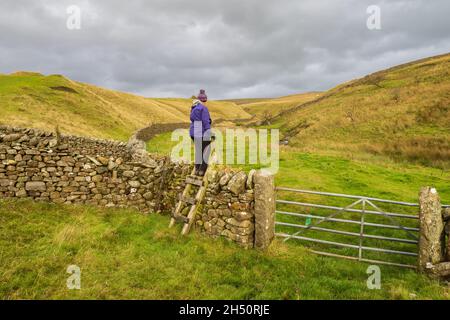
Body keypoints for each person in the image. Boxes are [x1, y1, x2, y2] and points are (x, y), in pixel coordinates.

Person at [190, 89, 212, 176]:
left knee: (198, 150)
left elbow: (192, 119)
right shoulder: (203, 108)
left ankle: (196, 169)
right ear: (204, 100)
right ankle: (202, 170)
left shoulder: (194, 108)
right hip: (201, 132)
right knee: (206, 149)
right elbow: (205, 121)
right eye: (205, 100)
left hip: (193, 132)